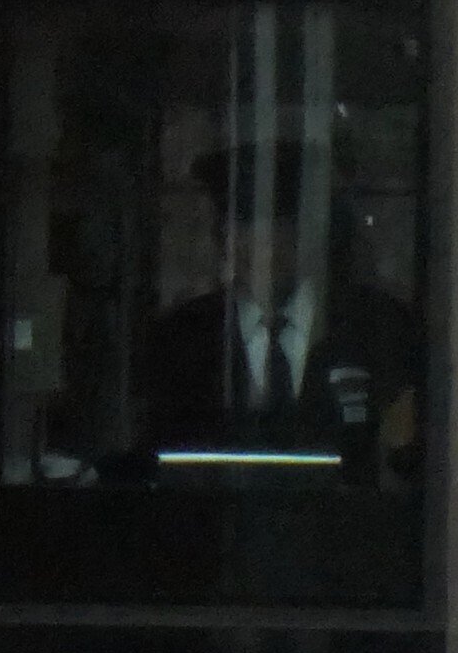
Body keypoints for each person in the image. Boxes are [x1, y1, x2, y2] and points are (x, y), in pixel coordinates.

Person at [134, 139, 422, 483]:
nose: (262, 242)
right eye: (244, 222)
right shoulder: (182, 336)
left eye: (280, 222)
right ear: (221, 236)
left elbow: (404, 462)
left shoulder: (379, 326)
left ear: (309, 233)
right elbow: (158, 460)